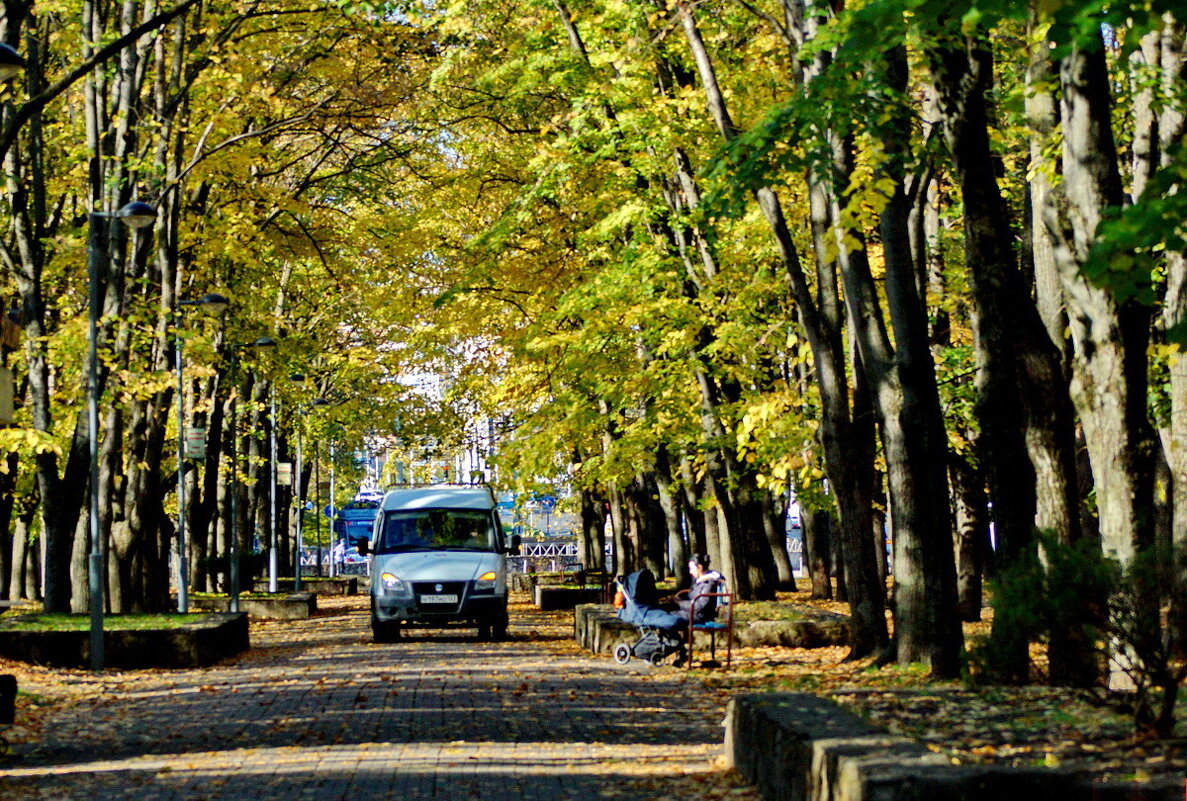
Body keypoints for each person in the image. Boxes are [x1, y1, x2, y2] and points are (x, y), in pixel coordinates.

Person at [671, 554, 725, 624]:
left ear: (699, 567)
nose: (690, 571)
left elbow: (701, 606)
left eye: (691, 568)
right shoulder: (698, 581)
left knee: (667, 618)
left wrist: (680, 603)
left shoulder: (708, 582)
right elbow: (692, 596)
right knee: (664, 613)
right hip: (693, 613)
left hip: (701, 616)